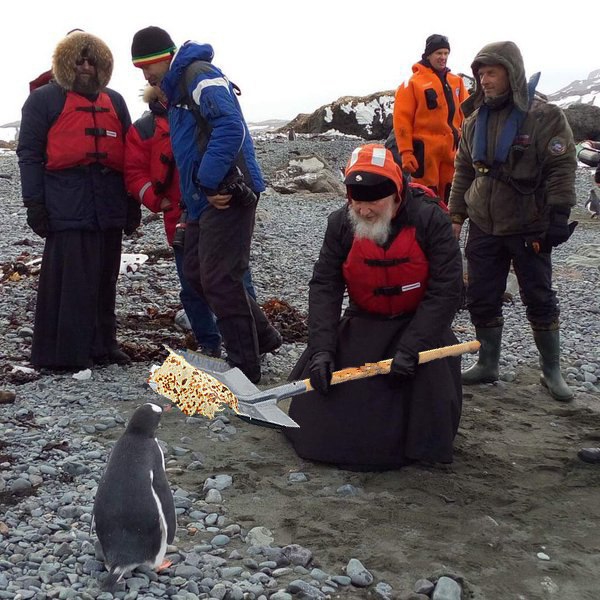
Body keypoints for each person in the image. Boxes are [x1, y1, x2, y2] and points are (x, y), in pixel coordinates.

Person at [285, 143, 463, 471]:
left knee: (423, 420)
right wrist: (322, 349)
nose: (364, 211)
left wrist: (413, 347)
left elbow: (447, 290)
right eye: (357, 201)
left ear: (396, 194)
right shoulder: (340, 224)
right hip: (364, 321)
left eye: (374, 202)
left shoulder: (430, 220)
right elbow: (325, 286)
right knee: (318, 427)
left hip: (419, 326)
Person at [130, 26, 280, 383]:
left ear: (165, 57)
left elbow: (231, 126)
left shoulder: (198, 74)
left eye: (148, 64)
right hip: (201, 198)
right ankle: (264, 336)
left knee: (219, 279)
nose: (146, 74)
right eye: (140, 68)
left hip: (227, 192)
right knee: (196, 274)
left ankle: (245, 366)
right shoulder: (176, 88)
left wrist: (211, 179)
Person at [448, 41, 578, 401]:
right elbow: (463, 170)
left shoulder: (545, 117)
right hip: (484, 225)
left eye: (492, 72)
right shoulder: (473, 121)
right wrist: (456, 216)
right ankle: (488, 363)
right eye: (481, 74)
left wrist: (560, 214)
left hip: (528, 224)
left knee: (538, 296)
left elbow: (562, 167)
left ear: (512, 73)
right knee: (481, 295)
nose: (485, 80)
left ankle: (550, 371)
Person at [17, 31, 139, 370]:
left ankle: (103, 345)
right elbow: (28, 154)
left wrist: (132, 203)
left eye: (92, 60)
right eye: (79, 59)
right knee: (70, 281)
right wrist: (34, 204)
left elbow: (130, 154)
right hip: (67, 201)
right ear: (65, 63)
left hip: (109, 201)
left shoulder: (114, 101)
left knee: (105, 277)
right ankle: (64, 354)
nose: (85, 66)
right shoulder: (43, 100)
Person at [124, 85, 257, 357]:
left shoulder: (199, 114)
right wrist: (154, 199)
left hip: (217, 208)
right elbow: (133, 170)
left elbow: (229, 147)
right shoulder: (144, 129)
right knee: (191, 283)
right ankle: (209, 342)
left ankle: (250, 341)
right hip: (179, 215)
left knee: (236, 278)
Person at [393, 34, 468, 202]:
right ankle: (425, 227)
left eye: (446, 53)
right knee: (425, 195)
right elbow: (401, 120)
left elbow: (468, 113)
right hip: (425, 151)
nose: (443, 57)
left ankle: (448, 226)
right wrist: (406, 152)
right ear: (428, 55)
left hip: (452, 148)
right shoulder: (412, 84)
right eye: (438, 53)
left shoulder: (457, 82)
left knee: (452, 193)